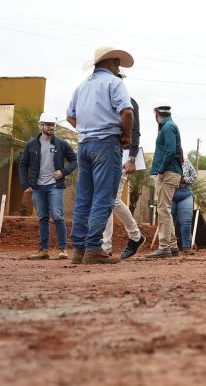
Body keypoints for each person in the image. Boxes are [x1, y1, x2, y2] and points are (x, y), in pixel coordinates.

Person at [66, 46, 134, 264]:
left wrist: (87, 129)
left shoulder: (81, 86)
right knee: (103, 197)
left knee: (84, 198)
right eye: (118, 64)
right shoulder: (114, 83)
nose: (118, 68)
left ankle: (78, 249)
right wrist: (126, 135)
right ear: (112, 63)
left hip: (84, 145)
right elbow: (127, 112)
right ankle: (94, 247)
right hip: (106, 144)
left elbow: (70, 117)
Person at [19, 112, 77, 260]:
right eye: (48, 125)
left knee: (58, 215)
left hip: (54, 186)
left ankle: (63, 249)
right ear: (41, 126)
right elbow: (23, 164)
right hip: (37, 187)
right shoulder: (31, 144)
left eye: (53, 125)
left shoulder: (61, 144)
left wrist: (64, 172)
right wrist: (26, 184)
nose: (51, 127)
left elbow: (74, 160)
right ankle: (43, 250)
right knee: (42, 217)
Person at [101, 97, 146, 260]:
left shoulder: (129, 101)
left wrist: (132, 158)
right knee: (106, 200)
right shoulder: (105, 100)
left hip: (123, 155)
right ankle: (106, 246)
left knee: (112, 200)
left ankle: (134, 235)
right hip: (107, 154)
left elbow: (135, 131)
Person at [145, 101, 183, 258]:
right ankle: (172, 246)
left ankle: (164, 247)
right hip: (171, 172)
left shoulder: (167, 127)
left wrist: (161, 170)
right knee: (165, 209)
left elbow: (170, 150)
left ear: (157, 115)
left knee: (163, 210)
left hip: (167, 172)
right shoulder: (170, 126)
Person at [172, 158, 196, 253]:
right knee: (169, 222)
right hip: (170, 193)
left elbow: (194, 177)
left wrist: (185, 179)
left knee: (186, 221)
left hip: (185, 193)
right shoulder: (168, 163)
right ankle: (168, 247)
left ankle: (186, 247)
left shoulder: (187, 163)